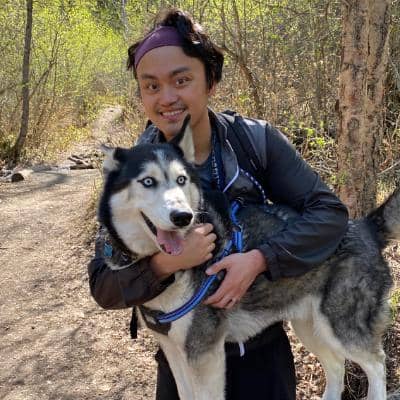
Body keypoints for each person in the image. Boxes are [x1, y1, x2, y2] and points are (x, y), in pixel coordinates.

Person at [88, 8, 349, 400]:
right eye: (151, 86)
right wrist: (167, 263)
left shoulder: (255, 142)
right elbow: (104, 286)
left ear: (210, 80)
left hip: (261, 354)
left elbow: (329, 215)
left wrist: (261, 259)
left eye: (181, 80)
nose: (167, 98)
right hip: (183, 361)